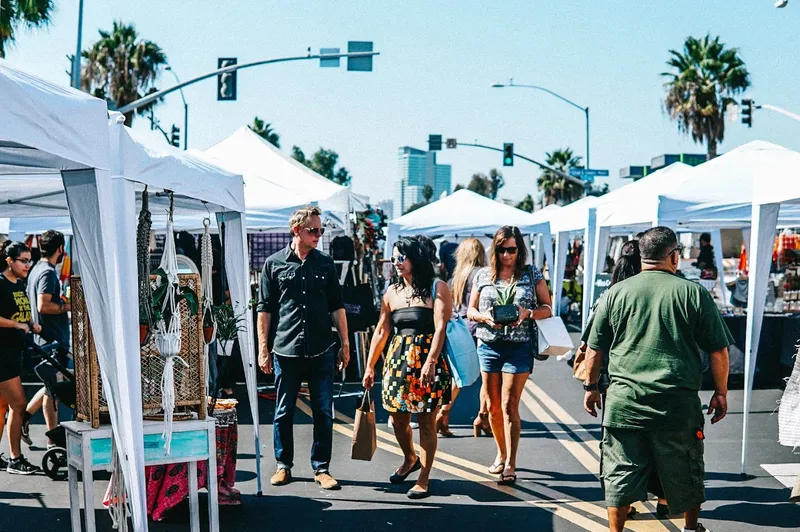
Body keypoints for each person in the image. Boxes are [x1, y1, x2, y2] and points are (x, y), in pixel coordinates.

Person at [583, 227, 733, 532]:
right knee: (686, 469)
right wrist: (721, 393)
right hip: (676, 405)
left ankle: (616, 530)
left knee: (620, 471)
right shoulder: (692, 292)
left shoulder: (615, 293)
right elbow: (718, 351)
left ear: (641, 257)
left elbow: (594, 349)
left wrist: (591, 387)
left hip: (624, 404)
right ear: (674, 256)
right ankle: (691, 528)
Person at [256, 206, 350, 491]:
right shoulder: (274, 264)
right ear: (296, 230)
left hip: (321, 348)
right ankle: (283, 465)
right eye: (313, 230)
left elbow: (337, 306)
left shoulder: (325, 263)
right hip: (286, 349)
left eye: (320, 230)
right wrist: (263, 348)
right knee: (283, 411)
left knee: (324, 411)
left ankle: (321, 468)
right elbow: (265, 310)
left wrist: (345, 344)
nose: (318, 235)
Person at [362, 237, 452, 499]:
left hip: (427, 361)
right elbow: (381, 330)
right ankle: (410, 457)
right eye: (394, 258)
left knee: (426, 420)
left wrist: (431, 361)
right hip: (397, 361)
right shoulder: (391, 292)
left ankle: (424, 476)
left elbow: (440, 328)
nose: (397, 263)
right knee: (397, 419)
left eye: (401, 257)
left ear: (416, 259)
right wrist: (370, 366)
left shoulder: (437, 287)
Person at [466, 226, 553, 485]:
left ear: (520, 250)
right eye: (502, 249)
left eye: (512, 250)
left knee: (508, 405)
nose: (506, 255)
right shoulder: (483, 275)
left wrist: (527, 313)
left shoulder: (531, 273)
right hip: (489, 345)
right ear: (495, 249)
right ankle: (501, 453)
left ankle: (511, 464)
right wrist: (486, 317)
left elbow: (548, 308)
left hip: (519, 346)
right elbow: (470, 310)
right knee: (492, 406)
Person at [22, 230, 70, 448]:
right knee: (54, 389)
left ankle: (24, 416)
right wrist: (68, 306)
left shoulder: (35, 270)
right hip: (51, 339)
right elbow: (44, 305)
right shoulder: (47, 272)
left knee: (51, 385)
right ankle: (53, 438)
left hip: (45, 338)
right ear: (60, 248)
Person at [0, 241, 42, 474]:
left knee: (4, 406)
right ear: (9, 261)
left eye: (29, 261)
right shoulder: (1, 284)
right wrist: (16, 324)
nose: (27, 265)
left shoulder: (20, 284)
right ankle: (15, 459)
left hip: (16, 352)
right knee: (19, 403)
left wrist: (30, 324)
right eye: (23, 261)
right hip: (3, 354)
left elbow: (19, 313)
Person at [442, 237, 490, 438]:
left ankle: (444, 413)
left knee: (458, 375)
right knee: (487, 376)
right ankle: (483, 416)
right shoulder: (483, 275)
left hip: (459, 329)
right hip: (479, 327)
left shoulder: (455, 277)